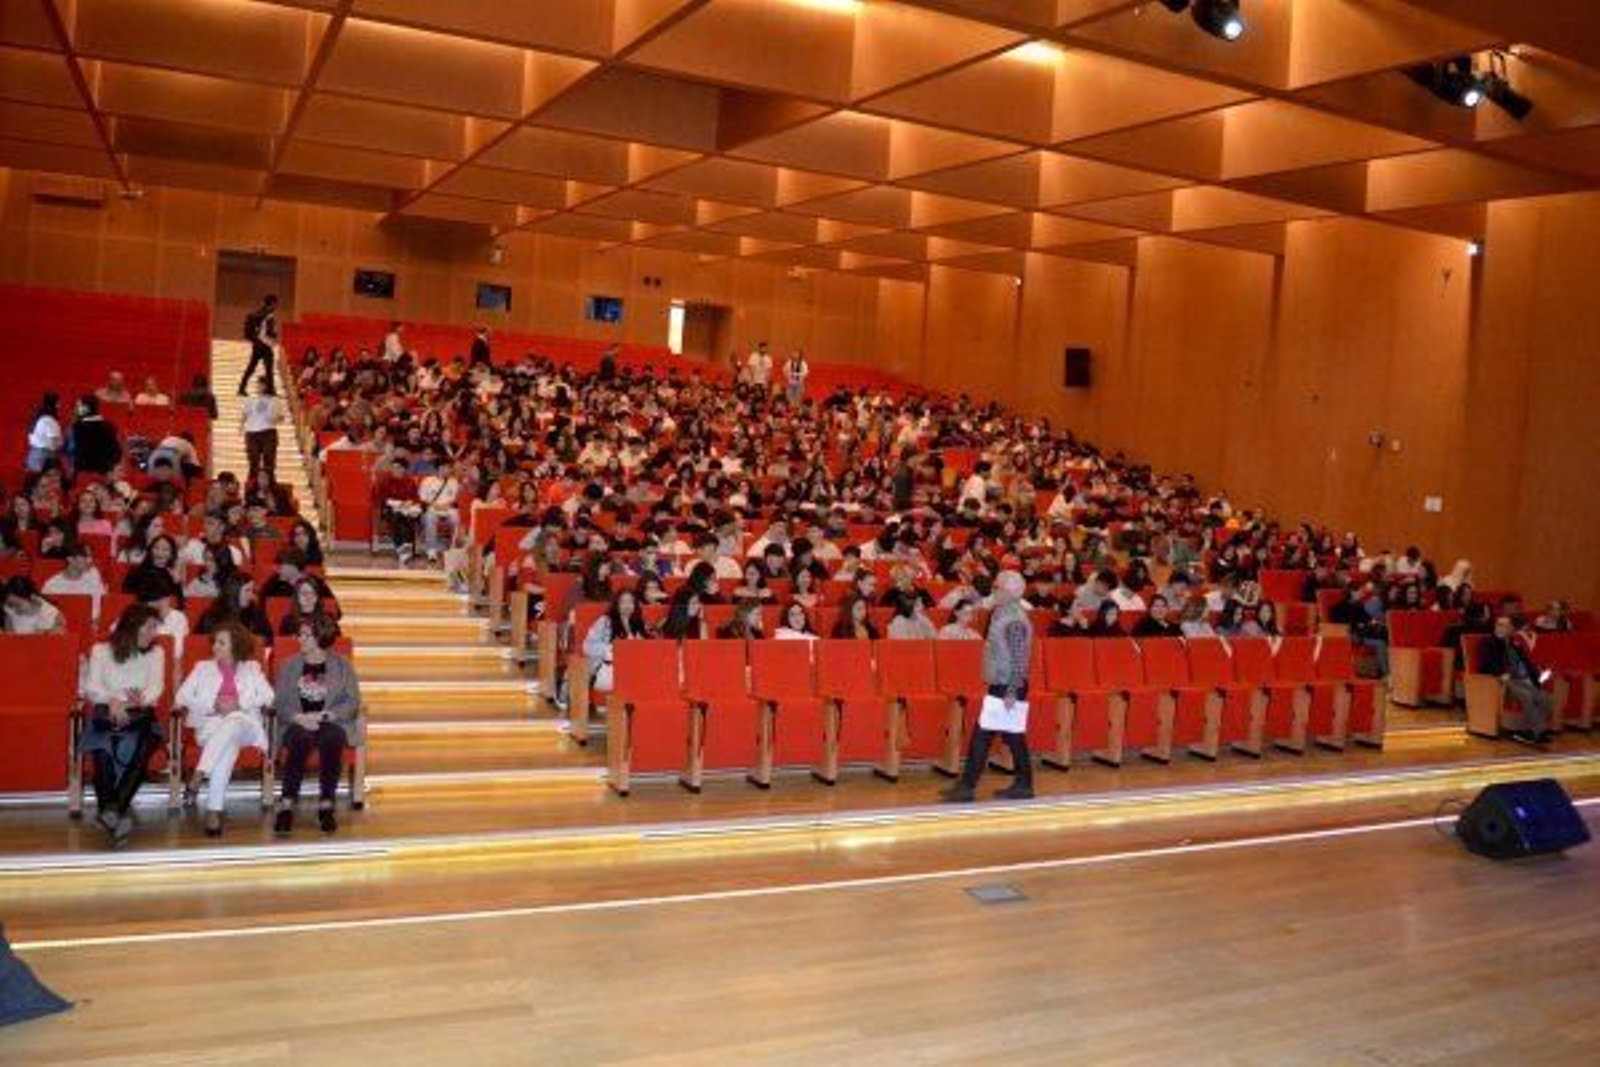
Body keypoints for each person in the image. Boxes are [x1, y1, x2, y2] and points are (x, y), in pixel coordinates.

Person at [941, 570, 1033, 803]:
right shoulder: (1001, 611)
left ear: (1010, 593)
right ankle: (1022, 784)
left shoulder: (1015, 621)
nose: (994, 590)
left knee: (985, 735)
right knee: (1012, 737)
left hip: (1008, 687)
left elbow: (1020, 660)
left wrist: (1011, 692)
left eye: (997, 587)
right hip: (1002, 684)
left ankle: (968, 787)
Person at [175, 622, 273, 836]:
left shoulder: (252, 668)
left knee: (235, 720)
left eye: (221, 643)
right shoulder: (202, 668)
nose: (215, 647)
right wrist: (213, 705)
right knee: (228, 747)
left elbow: (268, 696)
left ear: (235, 645)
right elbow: (181, 696)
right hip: (211, 725)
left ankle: (199, 774)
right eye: (215, 642)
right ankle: (213, 811)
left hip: (245, 725)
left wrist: (239, 704)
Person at [81, 604, 166, 849]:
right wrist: (113, 701)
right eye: (149, 627)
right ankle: (114, 814)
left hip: (141, 716)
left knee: (143, 748)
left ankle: (111, 811)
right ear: (132, 625)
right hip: (106, 714)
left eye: (155, 627)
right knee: (102, 750)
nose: (153, 632)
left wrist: (130, 704)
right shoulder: (101, 651)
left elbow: (155, 689)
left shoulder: (155, 652)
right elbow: (92, 687)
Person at [273, 614, 362, 836]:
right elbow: (279, 702)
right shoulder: (289, 665)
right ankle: (286, 803)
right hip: (296, 722)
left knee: (333, 737)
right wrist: (299, 718)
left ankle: (326, 804)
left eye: (306, 635)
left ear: (321, 637)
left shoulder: (342, 665)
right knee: (300, 738)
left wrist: (327, 715)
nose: (300, 639)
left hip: (330, 720)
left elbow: (352, 700)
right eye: (299, 634)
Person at [1477, 615, 1553, 745]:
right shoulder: (1488, 642)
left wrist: (1537, 679)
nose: (1499, 628)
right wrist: (1500, 673)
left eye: (1504, 625)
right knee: (1526, 696)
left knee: (1545, 698)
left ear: (1511, 629)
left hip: (1519, 679)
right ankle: (1538, 732)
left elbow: (1528, 663)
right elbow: (1485, 663)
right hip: (1500, 680)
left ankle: (1532, 730)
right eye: (1498, 625)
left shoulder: (1515, 643)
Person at [581, 590, 649, 695]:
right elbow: (587, 647)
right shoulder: (605, 622)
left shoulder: (640, 623)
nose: (627, 605)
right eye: (623, 602)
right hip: (609, 670)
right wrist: (612, 648)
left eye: (630, 602)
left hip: (635, 670)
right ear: (616, 604)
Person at [196, 573, 274, 641]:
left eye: (252, 590)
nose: (251, 595)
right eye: (247, 590)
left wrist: (254, 640)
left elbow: (268, 637)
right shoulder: (213, 614)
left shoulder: (255, 612)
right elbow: (202, 641)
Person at [241, 377, 282, 482]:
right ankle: (252, 484)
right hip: (252, 433)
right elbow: (245, 414)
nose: (259, 386)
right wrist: (241, 426)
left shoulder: (274, 400)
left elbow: (280, 416)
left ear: (267, 386)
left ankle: (270, 483)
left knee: (269, 460)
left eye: (262, 384)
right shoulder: (250, 399)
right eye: (258, 384)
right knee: (253, 460)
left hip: (268, 432)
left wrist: (277, 418)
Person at [70, 395, 122, 477]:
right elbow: (117, 452)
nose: (75, 409)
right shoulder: (108, 425)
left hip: (85, 474)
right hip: (104, 472)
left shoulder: (79, 427)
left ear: (86, 408)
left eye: (78, 406)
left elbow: (76, 452)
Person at [239, 294, 280, 396]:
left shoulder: (258, 313)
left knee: (252, 367)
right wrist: (275, 334)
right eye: (275, 303)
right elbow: (269, 331)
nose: (276, 306)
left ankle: (242, 388)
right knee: (268, 368)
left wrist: (256, 340)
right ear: (272, 303)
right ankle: (270, 390)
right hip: (265, 344)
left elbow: (256, 329)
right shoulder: (268, 315)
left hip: (258, 344)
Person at [24, 393, 63, 473]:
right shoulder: (50, 420)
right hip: (45, 458)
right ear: (54, 404)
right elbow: (53, 443)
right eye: (58, 403)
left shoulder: (39, 418)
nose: (60, 405)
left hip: (33, 456)